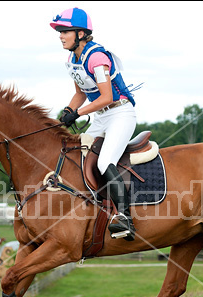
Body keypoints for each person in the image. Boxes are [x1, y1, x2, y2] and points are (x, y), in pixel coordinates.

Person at [51, 7, 138, 241]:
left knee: (105, 161)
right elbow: (81, 94)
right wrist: (67, 112)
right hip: (101, 116)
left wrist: (77, 113)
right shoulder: (73, 59)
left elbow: (107, 97)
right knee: (76, 157)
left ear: (80, 34)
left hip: (120, 113)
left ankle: (124, 217)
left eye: (64, 31)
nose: (60, 35)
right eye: (60, 31)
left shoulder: (97, 58)